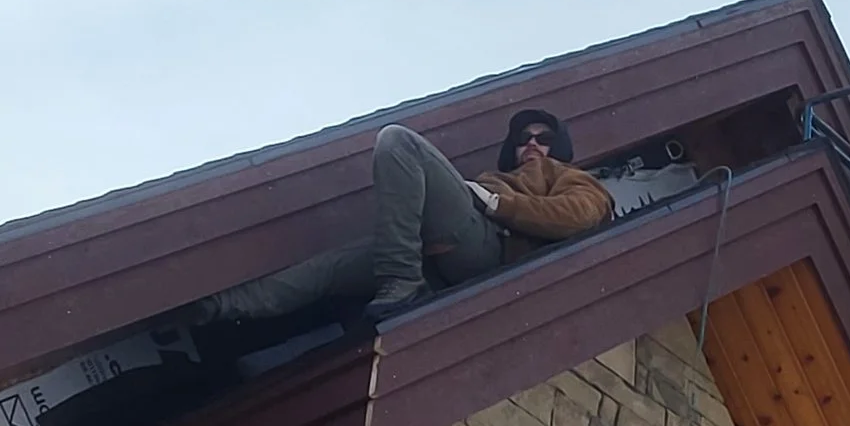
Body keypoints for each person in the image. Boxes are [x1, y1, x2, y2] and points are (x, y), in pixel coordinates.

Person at [189, 107, 613, 324]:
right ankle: (212, 307)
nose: (533, 144)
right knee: (328, 268)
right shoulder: (493, 177)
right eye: (524, 139)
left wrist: (494, 204)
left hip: (489, 249)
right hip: (429, 258)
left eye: (544, 138)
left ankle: (402, 280)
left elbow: (578, 215)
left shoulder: (572, 178)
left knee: (398, 141)